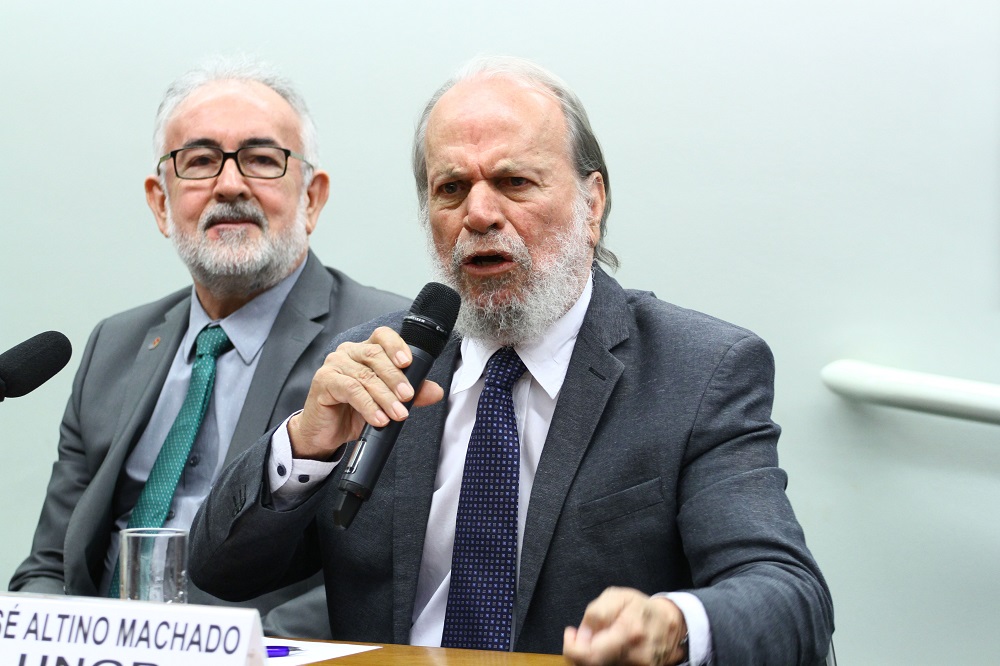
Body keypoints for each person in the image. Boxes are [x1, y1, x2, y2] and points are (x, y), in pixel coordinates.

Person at [188, 56, 834, 664]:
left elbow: (789, 597)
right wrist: (307, 445)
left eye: (514, 182)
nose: (479, 213)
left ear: (593, 203)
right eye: (451, 188)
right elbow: (224, 571)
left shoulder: (698, 370)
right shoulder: (381, 362)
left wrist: (672, 624)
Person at [8, 55, 409, 638]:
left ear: (312, 198)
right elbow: (49, 565)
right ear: (159, 202)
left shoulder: (379, 338)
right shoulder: (112, 346)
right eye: (198, 161)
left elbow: (383, 575)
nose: (228, 185)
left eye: (262, 160)